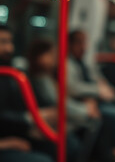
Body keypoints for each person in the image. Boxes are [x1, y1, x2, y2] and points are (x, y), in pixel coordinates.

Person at [67, 30, 115, 161]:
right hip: (89, 100)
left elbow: (96, 77)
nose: (83, 47)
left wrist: (105, 87)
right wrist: (98, 91)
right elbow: (74, 88)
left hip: (98, 97)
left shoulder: (83, 62)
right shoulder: (68, 64)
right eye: (79, 43)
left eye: (84, 42)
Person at [0, 26, 74, 161]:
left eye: (10, 42)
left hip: (17, 129)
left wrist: (35, 122)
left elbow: (25, 102)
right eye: (3, 42)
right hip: (7, 137)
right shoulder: (13, 75)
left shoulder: (14, 73)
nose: (9, 48)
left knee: (67, 144)